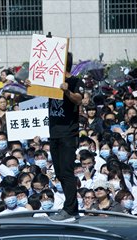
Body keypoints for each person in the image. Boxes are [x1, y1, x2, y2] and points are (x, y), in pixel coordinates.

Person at [44, 52, 85, 222]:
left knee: (67, 171)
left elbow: (79, 100)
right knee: (59, 172)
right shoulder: (51, 80)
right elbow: (35, 90)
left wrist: (67, 91)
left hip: (68, 133)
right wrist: (30, 85)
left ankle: (70, 209)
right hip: (54, 132)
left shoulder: (75, 81)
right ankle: (71, 207)